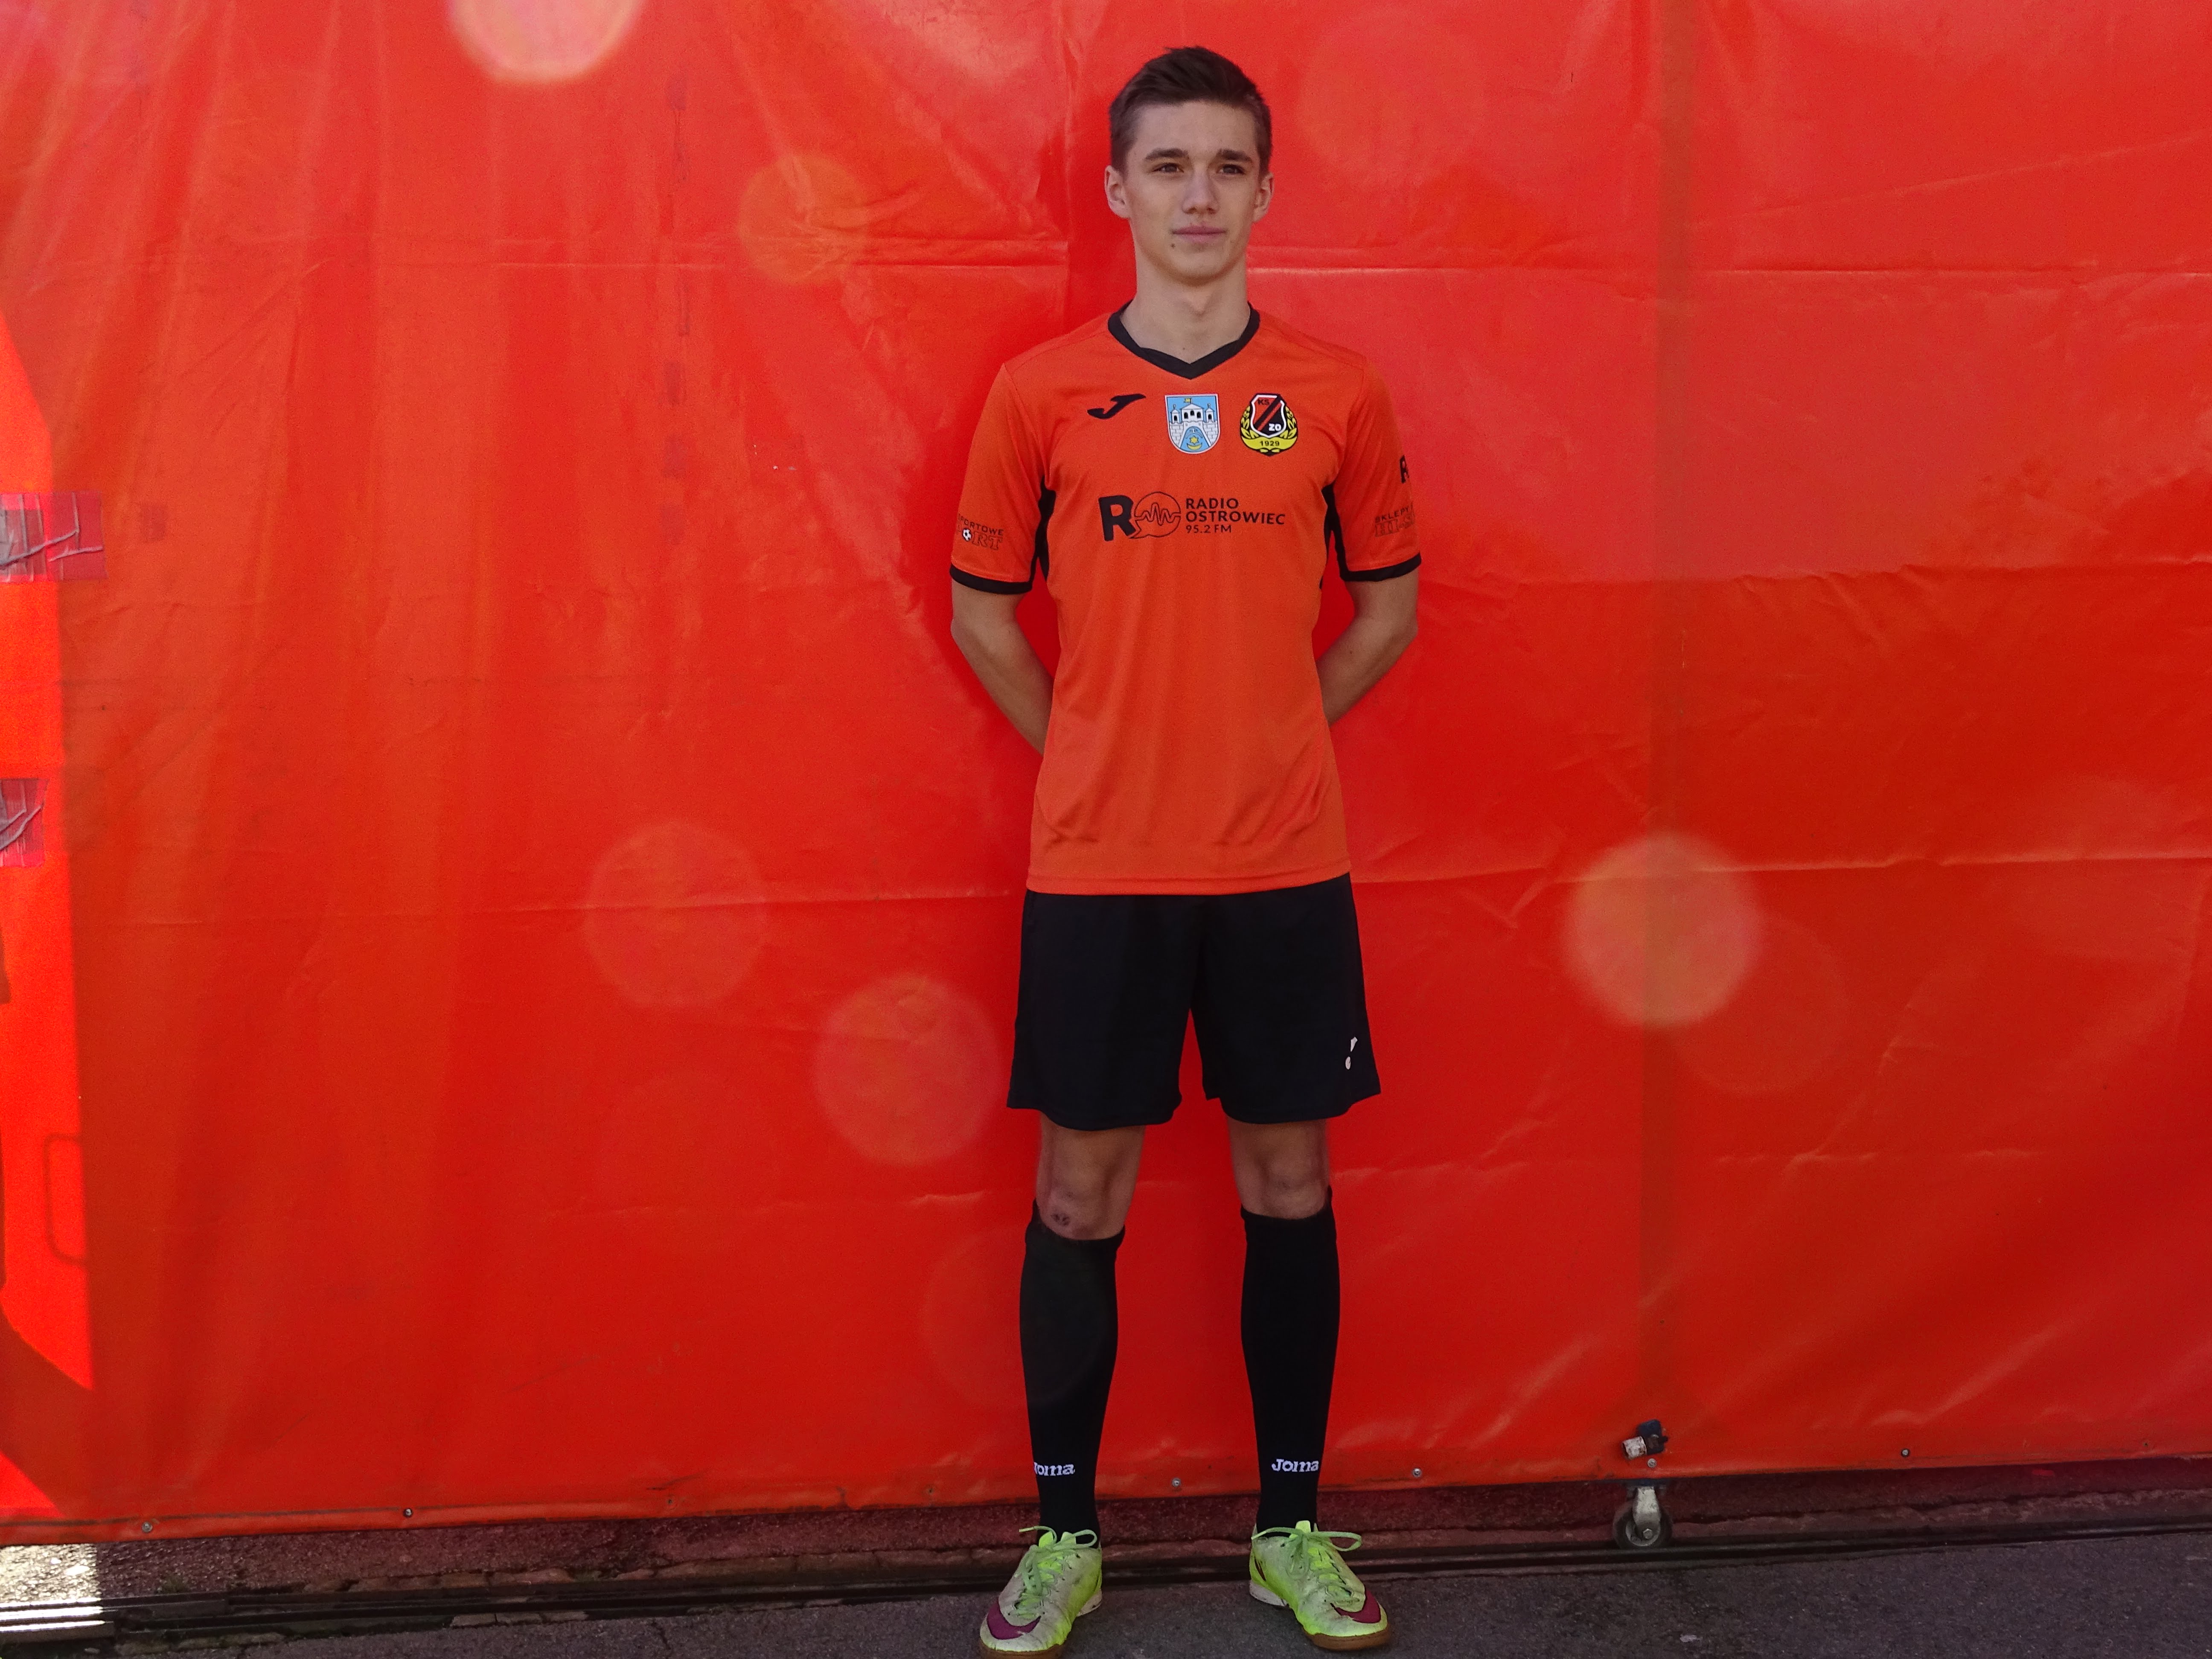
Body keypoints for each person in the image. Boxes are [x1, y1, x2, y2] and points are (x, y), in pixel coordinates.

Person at [948, 44, 1420, 1656]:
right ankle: (1064, 1537)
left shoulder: (1337, 394)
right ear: (1118, 190)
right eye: (1169, 166)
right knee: (1078, 1199)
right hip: (1101, 869)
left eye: (1227, 166)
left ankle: (1288, 1525)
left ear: (1266, 190)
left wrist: (1271, 733)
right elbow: (983, 617)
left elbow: (1389, 612)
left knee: (1290, 1181)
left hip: (1282, 865)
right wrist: (1101, 747)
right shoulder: (1039, 395)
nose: (1199, 195)